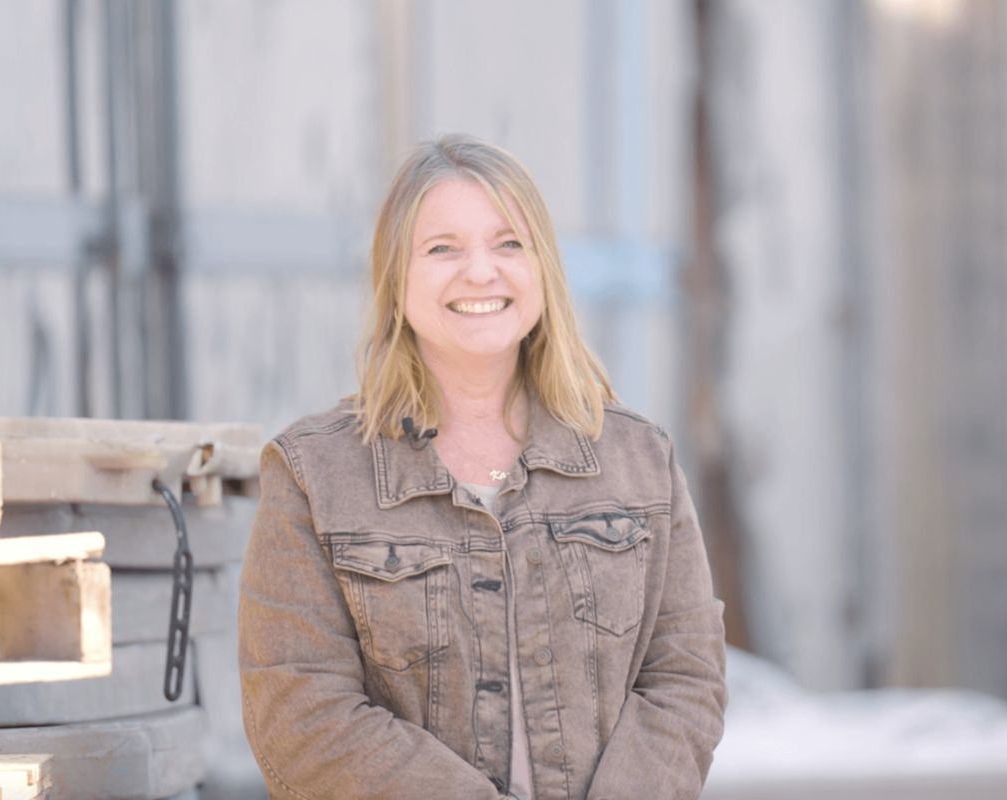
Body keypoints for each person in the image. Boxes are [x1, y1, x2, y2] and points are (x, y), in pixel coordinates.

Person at [238, 134, 727, 800]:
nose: (480, 272)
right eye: (442, 249)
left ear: (542, 269)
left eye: (508, 244)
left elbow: (684, 679)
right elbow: (301, 715)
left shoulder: (639, 461)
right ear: (396, 278)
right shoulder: (312, 475)